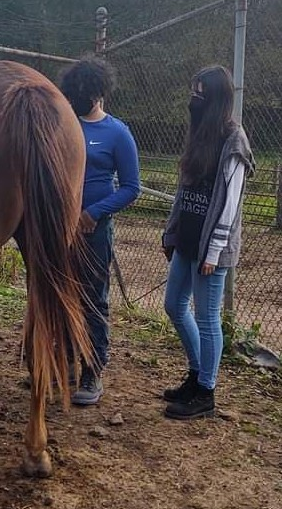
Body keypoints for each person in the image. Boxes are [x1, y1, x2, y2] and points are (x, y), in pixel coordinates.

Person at [161, 65, 255, 420]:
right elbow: (183, 191)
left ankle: (206, 393)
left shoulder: (234, 140)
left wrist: (214, 251)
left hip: (209, 250)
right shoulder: (200, 132)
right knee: (173, 306)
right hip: (186, 242)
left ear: (216, 98)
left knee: (207, 318)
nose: (194, 99)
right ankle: (196, 374)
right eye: (193, 91)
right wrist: (170, 231)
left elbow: (230, 205)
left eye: (200, 93)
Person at [59, 55, 140, 405]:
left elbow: (130, 187)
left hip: (93, 231)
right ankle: (64, 365)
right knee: (61, 295)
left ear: (97, 93)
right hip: (60, 228)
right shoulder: (64, 125)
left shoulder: (117, 133)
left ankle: (93, 371)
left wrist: (93, 213)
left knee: (93, 300)